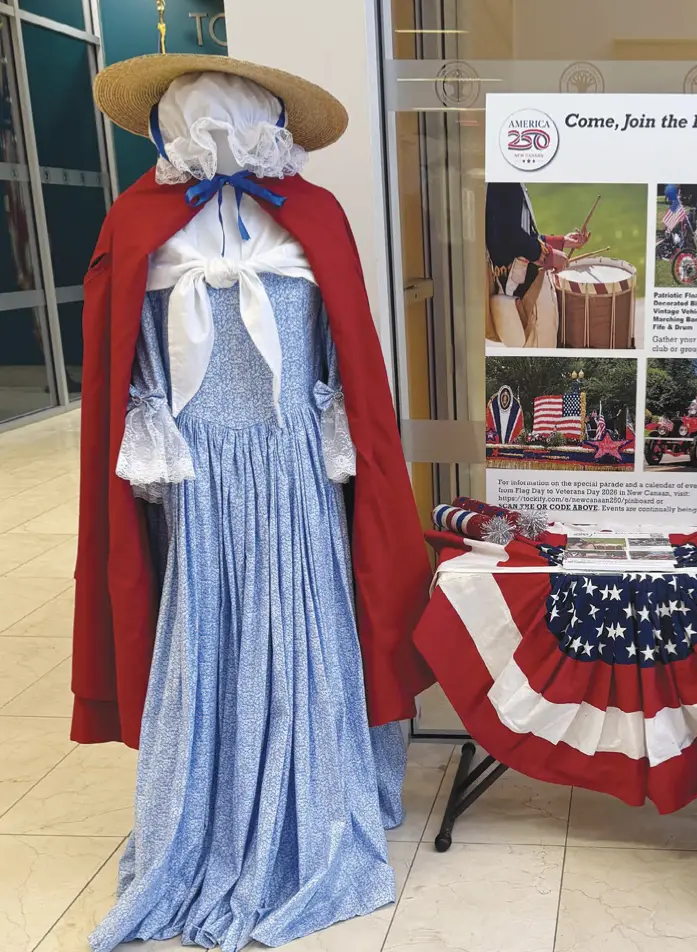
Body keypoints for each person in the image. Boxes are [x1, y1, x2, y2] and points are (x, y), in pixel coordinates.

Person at [80, 59, 430, 951]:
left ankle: (311, 806)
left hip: (294, 472)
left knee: (303, 623)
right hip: (199, 478)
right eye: (196, 113)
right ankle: (209, 819)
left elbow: (346, 355)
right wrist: (152, 443)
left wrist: (341, 445)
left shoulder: (316, 215)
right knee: (208, 632)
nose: (213, 125)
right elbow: (124, 358)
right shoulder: (134, 220)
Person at [485, 183, 588, 347]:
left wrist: (562, 241)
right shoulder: (505, 183)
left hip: (518, 286)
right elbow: (508, 235)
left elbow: (522, 233)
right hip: (525, 291)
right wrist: (548, 255)